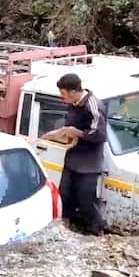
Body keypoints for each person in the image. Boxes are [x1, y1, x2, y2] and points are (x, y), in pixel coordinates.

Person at [41, 73, 107, 236]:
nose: (61, 97)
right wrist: (58, 133)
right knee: (65, 194)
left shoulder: (93, 106)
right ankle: (65, 227)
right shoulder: (73, 104)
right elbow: (69, 126)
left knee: (87, 201)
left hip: (89, 163)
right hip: (72, 158)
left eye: (62, 94)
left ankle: (96, 231)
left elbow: (99, 135)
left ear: (72, 92)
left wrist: (76, 132)